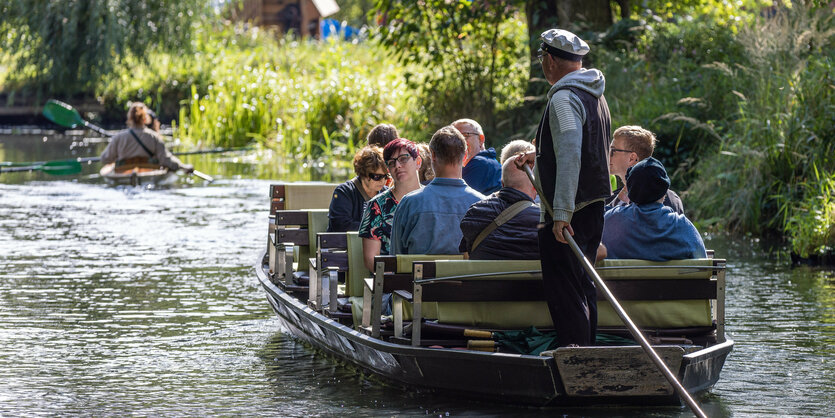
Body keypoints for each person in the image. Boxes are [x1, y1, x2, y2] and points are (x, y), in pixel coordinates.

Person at [516, 29, 611, 347]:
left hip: (571, 210)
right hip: (595, 205)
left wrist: (562, 213)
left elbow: (571, 152)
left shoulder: (562, 98)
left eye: (542, 58)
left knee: (565, 291)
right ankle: (588, 356)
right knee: (584, 285)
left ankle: (576, 358)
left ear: (551, 60)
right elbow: (586, 146)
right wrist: (538, 154)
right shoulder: (594, 94)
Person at [391, 126, 484, 255]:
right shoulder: (483, 204)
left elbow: (396, 258)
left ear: (432, 155)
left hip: (421, 275)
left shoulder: (409, 204)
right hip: (466, 275)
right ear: (465, 156)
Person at [602, 157, 706, 260]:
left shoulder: (611, 220)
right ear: (664, 192)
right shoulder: (682, 226)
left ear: (630, 192)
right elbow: (702, 263)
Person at [358, 138, 423, 271]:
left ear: (418, 162)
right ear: (388, 169)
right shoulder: (377, 206)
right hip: (390, 282)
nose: (397, 165)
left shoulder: (431, 199)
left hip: (429, 280)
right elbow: (371, 260)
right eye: (391, 163)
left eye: (403, 158)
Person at [459, 155, 540, 260]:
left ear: (502, 184)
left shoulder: (474, 213)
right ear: (535, 186)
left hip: (484, 275)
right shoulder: (541, 219)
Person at [606, 125, 684, 214]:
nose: (607, 155)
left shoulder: (615, 202)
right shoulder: (673, 199)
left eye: (612, 150)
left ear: (632, 158)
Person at [100, 102, 193, 173]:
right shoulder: (154, 137)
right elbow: (165, 159)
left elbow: (105, 159)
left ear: (129, 119)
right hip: (148, 173)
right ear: (145, 119)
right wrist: (182, 166)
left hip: (124, 174)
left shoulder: (118, 137)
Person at [327, 146, 389, 232]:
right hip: (343, 244)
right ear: (363, 173)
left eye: (386, 176)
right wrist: (378, 228)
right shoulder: (344, 191)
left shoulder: (386, 194)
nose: (383, 181)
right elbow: (341, 225)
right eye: (377, 177)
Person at [454, 119, 501, 195]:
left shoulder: (480, 163)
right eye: (454, 138)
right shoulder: (490, 161)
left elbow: (455, 199)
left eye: (465, 136)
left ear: (481, 139)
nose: (459, 142)